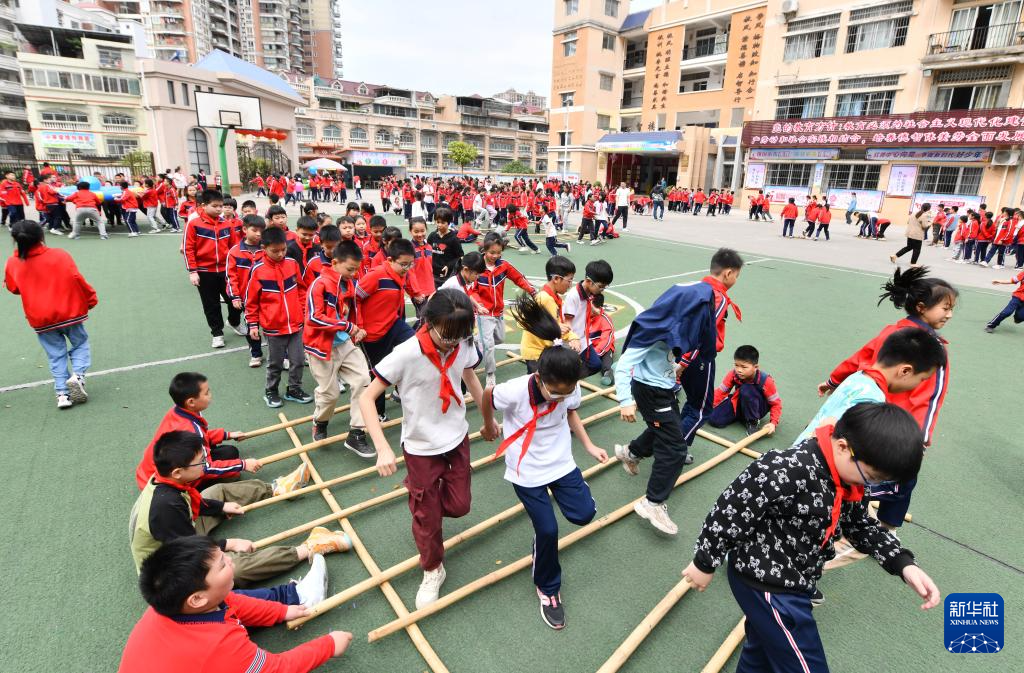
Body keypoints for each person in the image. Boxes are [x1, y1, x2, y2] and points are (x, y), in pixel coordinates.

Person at [682, 403, 941, 673]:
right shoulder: (785, 469)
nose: (870, 486)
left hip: (796, 578)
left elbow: (860, 525)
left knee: (762, 649)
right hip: (766, 583)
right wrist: (704, 562)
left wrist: (903, 563)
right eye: (872, 477)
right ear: (843, 447)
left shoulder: (849, 478)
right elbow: (730, 510)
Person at [359, 289, 495, 609]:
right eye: (448, 335)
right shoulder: (406, 353)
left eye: (461, 335)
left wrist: (488, 420)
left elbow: (471, 379)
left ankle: (425, 504)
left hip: (455, 436)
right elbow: (367, 398)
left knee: (460, 505)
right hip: (420, 445)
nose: (453, 342)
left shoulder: (461, 343)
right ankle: (432, 567)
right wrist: (382, 448)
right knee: (427, 516)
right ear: (428, 322)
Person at [481, 297, 607, 629]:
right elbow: (486, 396)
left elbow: (571, 412)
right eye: (555, 391)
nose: (561, 396)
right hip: (526, 471)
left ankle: (549, 536)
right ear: (539, 377)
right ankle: (548, 589)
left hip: (561, 461)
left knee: (584, 514)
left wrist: (589, 444)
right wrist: (489, 424)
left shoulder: (569, 389)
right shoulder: (515, 390)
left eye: (567, 392)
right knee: (548, 530)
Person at [613, 248, 744, 535]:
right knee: (673, 448)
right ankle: (653, 502)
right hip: (650, 392)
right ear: (729, 273)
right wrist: (625, 401)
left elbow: (681, 348)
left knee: (666, 427)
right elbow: (623, 365)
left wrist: (675, 369)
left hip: (662, 388)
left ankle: (630, 453)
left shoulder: (673, 327)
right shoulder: (655, 333)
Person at [818, 267, 955, 529]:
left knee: (855, 467)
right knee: (902, 479)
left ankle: (847, 514)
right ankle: (887, 527)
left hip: (868, 421)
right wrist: (920, 440)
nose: (949, 314)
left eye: (951, 309)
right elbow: (930, 398)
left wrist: (833, 380)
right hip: (895, 428)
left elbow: (860, 357)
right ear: (922, 307)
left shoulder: (891, 331)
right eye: (944, 308)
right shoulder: (932, 350)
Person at [130, 431, 349, 582]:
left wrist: (221, 507)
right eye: (200, 462)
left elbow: (193, 501)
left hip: (176, 537)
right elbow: (188, 549)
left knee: (215, 493)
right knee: (233, 567)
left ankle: (276, 488)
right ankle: (307, 549)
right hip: (171, 570)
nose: (205, 465)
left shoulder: (168, 483)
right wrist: (229, 543)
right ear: (178, 472)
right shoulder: (165, 507)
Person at [119, 536, 354, 673]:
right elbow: (276, 669)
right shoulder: (219, 646)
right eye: (222, 565)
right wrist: (329, 646)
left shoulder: (176, 604)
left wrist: (282, 611)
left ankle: (297, 596)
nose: (230, 561)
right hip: (208, 656)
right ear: (197, 598)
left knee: (231, 597)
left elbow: (231, 601)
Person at [4, 220, 96, 409]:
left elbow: (13, 288)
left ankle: (62, 394)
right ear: (41, 236)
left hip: (40, 318)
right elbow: (77, 278)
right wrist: (90, 298)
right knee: (80, 343)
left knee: (56, 355)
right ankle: (77, 375)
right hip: (69, 312)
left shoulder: (13, 262)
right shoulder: (60, 255)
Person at [134, 371, 265, 490]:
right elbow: (205, 468)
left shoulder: (178, 410)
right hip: (162, 484)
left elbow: (201, 436)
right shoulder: (190, 429)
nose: (210, 395)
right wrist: (242, 464)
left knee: (230, 452)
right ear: (191, 402)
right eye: (206, 393)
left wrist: (226, 435)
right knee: (233, 474)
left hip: (149, 472)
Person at [304, 240, 373, 455]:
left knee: (363, 380)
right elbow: (314, 318)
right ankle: (320, 420)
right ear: (334, 262)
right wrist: (349, 326)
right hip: (321, 347)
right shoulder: (320, 284)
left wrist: (357, 328)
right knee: (330, 393)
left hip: (344, 343)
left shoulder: (349, 283)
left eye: (356, 269)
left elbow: (352, 311)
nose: (354, 273)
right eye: (350, 269)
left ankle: (357, 432)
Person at [244, 226, 313, 408]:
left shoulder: (292, 264)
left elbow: (301, 289)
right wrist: (252, 325)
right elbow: (251, 301)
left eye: (283, 249)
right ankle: (271, 391)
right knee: (275, 363)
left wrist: (304, 311)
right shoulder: (258, 270)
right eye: (275, 251)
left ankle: (294, 389)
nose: (281, 254)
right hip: (273, 327)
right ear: (264, 248)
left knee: (298, 361)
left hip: (296, 324)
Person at [356, 238, 417, 421]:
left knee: (416, 346)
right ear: (390, 260)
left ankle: (402, 389)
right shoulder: (376, 275)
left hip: (393, 324)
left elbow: (405, 288)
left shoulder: (401, 273)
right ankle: (377, 412)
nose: (407, 268)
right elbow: (355, 298)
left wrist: (418, 294)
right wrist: (359, 326)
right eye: (403, 264)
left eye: (410, 264)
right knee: (379, 372)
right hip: (372, 334)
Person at [185, 189, 244, 349]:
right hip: (204, 272)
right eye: (215, 206)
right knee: (211, 305)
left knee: (235, 300)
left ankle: (234, 322)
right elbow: (188, 248)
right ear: (203, 206)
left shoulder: (226, 224)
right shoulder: (194, 224)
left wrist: (237, 267)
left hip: (226, 271)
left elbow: (233, 248)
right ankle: (217, 333)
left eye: (221, 206)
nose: (219, 209)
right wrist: (193, 271)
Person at [475, 232, 536, 387]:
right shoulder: (478, 267)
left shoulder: (504, 266)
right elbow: (472, 289)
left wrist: (531, 290)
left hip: (498, 312)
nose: (495, 256)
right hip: (483, 313)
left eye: (498, 252)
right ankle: (490, 374)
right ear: (484, 250)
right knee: (488, 346)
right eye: (491, 252)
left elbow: (518, 278)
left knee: (500, 338)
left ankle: (477, 340)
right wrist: (477, 304)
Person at [520, 256, 580, 374]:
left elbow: (557, 324)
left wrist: (572, 337)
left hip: (543, 351)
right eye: (569, 280)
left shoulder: (554, 298)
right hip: (535, 353)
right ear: (556, 278)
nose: (570, 285)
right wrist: (554, 328)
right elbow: (524, 322)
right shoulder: (543, 298)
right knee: (539, 387)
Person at [708, 345, 782, 436]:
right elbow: (720, 392)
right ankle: (741, 416)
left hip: (757, 408)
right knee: (713, 419)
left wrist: (773, 423)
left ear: (755, 367)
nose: (739, 370)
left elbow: (776, 404)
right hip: (738, 402)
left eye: (744, 367)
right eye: (736, 365)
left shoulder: (766, 381)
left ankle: (752, 421)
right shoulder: (733, 374)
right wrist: (706, 406)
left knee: (746, 389)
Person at [562, 259, 613, 376]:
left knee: (595, 365)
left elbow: (587, 304)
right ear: (589, 282)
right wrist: (573, 339)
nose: (602, 290)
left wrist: (594, 310)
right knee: (566, 369)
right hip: (571, 342)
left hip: (583, 339)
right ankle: (566, 380)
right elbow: (567, 322)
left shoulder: (588, 292)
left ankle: (570, 380)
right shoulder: (573, 296)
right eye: (601, 287)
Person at [427, 206, 464, 287]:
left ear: (449, 222)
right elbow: (427, 252)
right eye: (438, 222)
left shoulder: (454, 239)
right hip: (432, 273)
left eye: (443, 223)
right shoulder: (432, 236)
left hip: (447, 275)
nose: (439, 225)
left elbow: (460, 256)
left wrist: (449, 265)